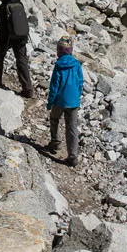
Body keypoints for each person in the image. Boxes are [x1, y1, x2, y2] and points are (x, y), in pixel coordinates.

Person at [0, 0, 34, 97]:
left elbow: (2, 27)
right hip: (21, 37)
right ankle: (28, 89)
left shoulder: (4, 6)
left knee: (0, 54)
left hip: (9, 37)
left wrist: (3, 43)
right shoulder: (19, 3)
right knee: (22, 60)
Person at [45, 36, 83, 166]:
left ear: (59, 50)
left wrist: (50, 102)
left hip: (60, 101)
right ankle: (73, 156)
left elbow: (54, 86)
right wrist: (77, 96)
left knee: (54, 119)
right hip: (73, 102)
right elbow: (80, 82)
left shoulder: (59, 65)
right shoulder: (77, 64)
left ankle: (55, 143)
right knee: (72, 127)